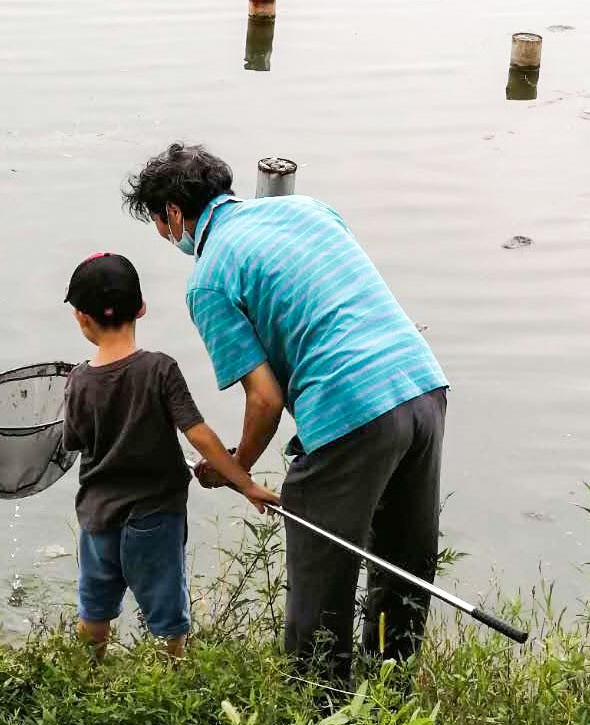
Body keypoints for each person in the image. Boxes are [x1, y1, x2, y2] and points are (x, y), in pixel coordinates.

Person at [122, 144, 449, 682]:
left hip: (349, 410)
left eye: (160, 224)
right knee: (404, 562)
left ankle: (316, 707)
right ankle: (394, 691)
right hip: (421, 383)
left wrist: (238, 465)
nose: (165, 235)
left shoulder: (208, 279)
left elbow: (266, 399)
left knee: (320, 574)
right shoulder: (308, 209)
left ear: (174, 214)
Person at [62, 251, 280, 660]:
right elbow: (199, 434)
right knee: (167, 626)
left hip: (98, 521)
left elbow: (75, 441)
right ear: (141, 308)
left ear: (81, 317)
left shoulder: (78, 381)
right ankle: (171, 684)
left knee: (94, 614)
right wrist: (244, 481)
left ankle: (84, 680)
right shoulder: (160, 369)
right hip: (155, 521)